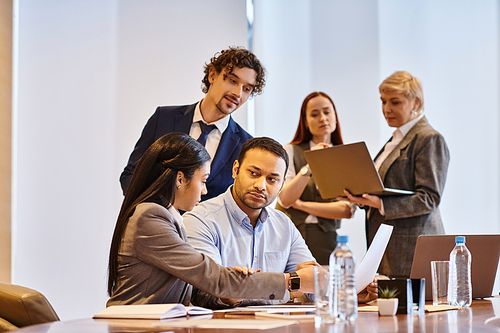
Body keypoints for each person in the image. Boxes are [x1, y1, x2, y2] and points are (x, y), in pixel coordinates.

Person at [107, 132, 315, 306]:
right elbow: (211, 278)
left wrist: (231, 288)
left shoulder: (167, 216)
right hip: (136, 326)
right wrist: (291, 283)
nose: (205, 190)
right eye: (203, 180)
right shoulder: (152, 217)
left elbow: (202, 287)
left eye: (272, 179)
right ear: (180, 179)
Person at [184, 137, 378, 307]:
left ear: (282, 183)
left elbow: (311, 281)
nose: (261, 185)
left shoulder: (283, 224)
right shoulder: (199, 220)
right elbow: (208, 291)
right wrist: (291, 283)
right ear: (236, 169)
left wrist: (350, 293)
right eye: (253, 173)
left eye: (272, 179)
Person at [340, 71, 450, 278]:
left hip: (412, 247)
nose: (386, 109)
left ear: (415, 103)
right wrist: (360, 198)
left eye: (395, 102)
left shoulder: (429, 138)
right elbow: (386, 189)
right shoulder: (395, 140)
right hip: (387, 247)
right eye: (383, 102)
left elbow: (429, 198)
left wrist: (381, 205)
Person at [120, 47, 264, 200]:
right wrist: (157, 212)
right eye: (232, 81)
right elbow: (131, 175)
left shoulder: (246, 145)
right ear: (212, 75)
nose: (238, 93)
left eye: (247, 89)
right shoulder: (163, 118)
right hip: (154, 220)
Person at [276, 92, 354, 265]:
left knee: (326, 288)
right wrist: (310, 164)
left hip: (328, 240)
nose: (322, 118)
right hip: (291, 236)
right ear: (305, 121)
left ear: (335, 115)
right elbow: (286, 199)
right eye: (314, 114)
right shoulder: (290, 151)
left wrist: (301, 205)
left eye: (327, 112)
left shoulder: (345, 155)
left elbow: (346, 210)